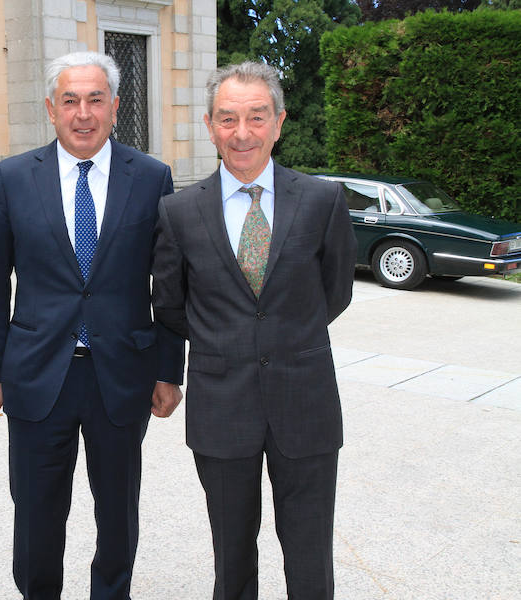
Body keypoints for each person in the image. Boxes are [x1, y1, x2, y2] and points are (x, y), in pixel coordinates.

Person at [0, 51, 185, 600]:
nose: (83, 113)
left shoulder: (152, 177)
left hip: (122, 375)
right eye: (70, 100)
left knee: (118, 512)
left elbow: (168, 286)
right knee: (36, 513)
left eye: (96, 100)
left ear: (116, 108)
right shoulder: (14, 178)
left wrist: (169, 369)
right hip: (36, 377)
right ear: (51, 108)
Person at [151, 62, 357, 599]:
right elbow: (171, 307)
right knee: (232, 554)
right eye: (227, 119)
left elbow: (334, 294)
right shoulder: (178, 212)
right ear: (210, 125)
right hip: (222, 408)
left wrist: (284, 337)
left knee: (310, 553)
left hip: (306, 404)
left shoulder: (322, 200)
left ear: (280, 122)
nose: (242, 133)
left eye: (256, 117)